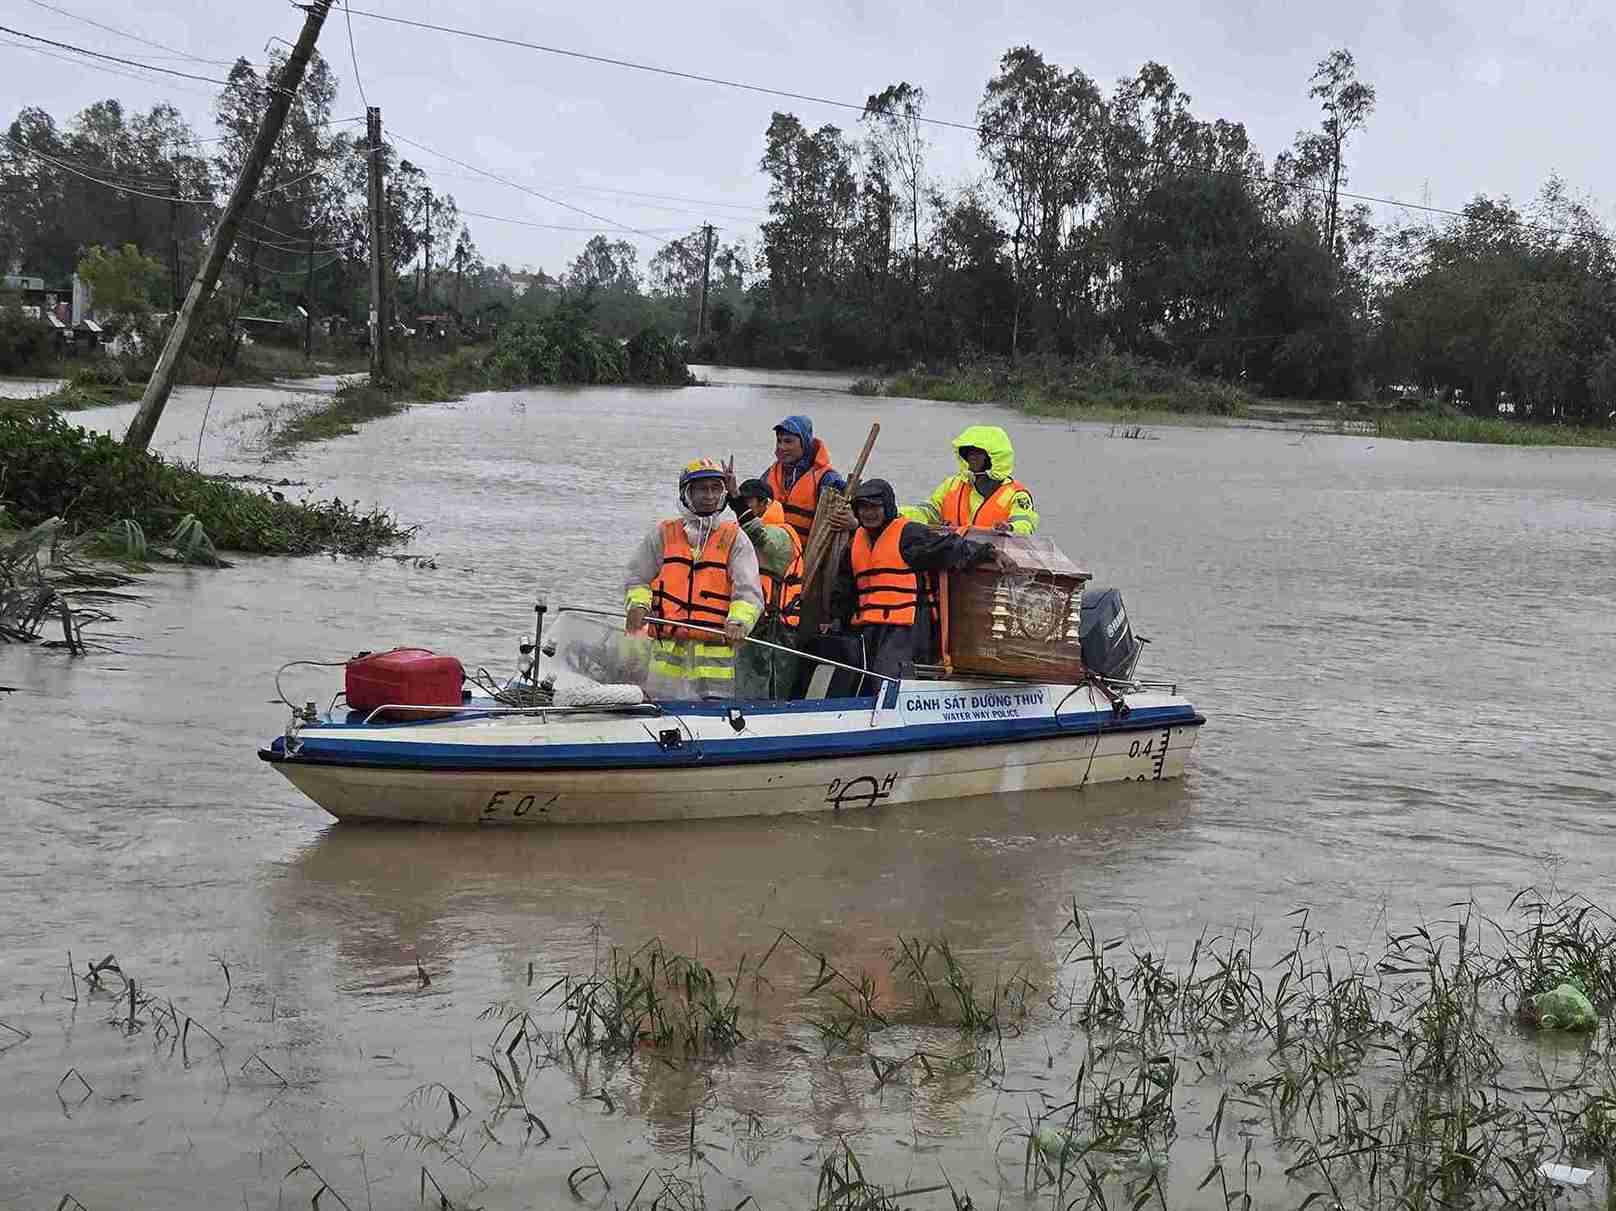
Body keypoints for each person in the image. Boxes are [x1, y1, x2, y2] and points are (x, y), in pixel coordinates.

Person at [830, 478, 1008, 684]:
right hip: (867, 629)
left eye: (874, 507)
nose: (868, 513)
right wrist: (835, 618)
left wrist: (989, 553)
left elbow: (949, 547)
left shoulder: (908, 534)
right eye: (863, 508)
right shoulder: (855, 544)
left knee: (886, 676)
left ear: (887, 506)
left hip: (905, 627)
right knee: (859, 677)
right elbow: (844, 588)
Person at [623, 458, 763, 698]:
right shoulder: (663, 534)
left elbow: (748, 591)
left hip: (715, 656)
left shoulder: (735, 538)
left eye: (715, 488)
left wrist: (739, 622)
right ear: (686, 493)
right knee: (658, 711)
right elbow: (637, 578)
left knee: (715, 718)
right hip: (666, 651)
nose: (708, 495)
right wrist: (638, 605)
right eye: (701, 489)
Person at [724, 466, 803, 699]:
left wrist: (735, 500)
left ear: (765, 503)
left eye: (748, 502)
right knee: (742, 683)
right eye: (742, 503)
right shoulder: (740, 534)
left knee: (766, 689)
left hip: (774, 631)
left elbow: (761, 538)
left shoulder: (782, 535)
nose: (743, 508)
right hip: (748, 623)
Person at [902, 424, 1040, 535]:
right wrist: (897, 513)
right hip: (950, 556)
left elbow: (1026, 524)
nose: (971, 457)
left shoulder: (1016, 494)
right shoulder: (952, 484)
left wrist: (1010, 528)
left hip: (993, 560)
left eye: (979, 452)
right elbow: (928, 511)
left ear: (995, 458)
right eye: (969, 452)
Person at [762, 415, 847, 545]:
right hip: (770, 556)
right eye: (779, 441)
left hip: (805, 557)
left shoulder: (827, 479)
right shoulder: (769, 474)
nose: (782, 447)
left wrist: (852, 522)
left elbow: (848, 512)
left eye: (788, 441)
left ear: (805, 442)